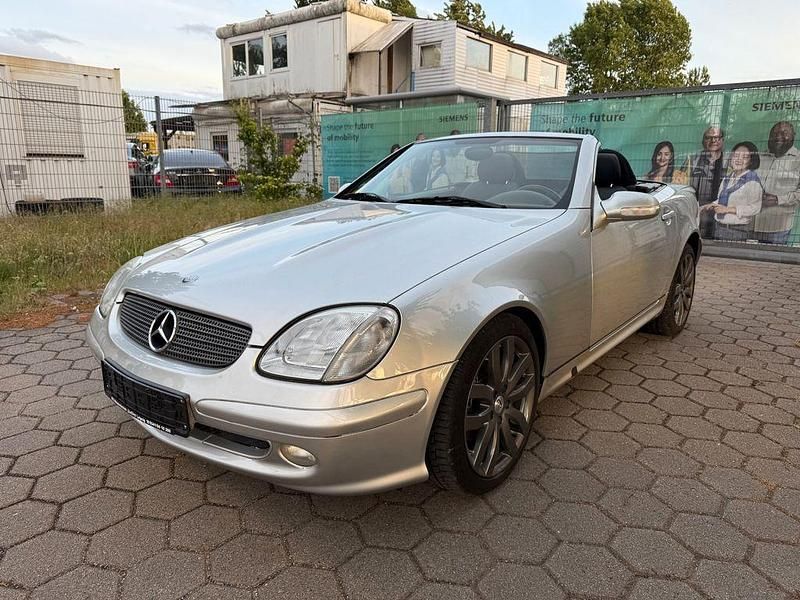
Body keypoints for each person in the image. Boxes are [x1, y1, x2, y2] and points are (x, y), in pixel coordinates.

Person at [702, 141, 762, 242]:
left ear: (751, 161)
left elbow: (755, 208)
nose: (739, 160)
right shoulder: (728, 178)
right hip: (719, 228)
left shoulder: (753, 181)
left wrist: (728, 210)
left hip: (737, 231)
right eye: (736, 156)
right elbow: (723, 199)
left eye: (745, 157)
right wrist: (710, 205)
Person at [754, 121, 800, 245]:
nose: (778, 136)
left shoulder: (798, 160)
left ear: (793, 136)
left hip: (778, 227)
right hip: (752, 223)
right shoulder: (759, 156)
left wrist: (778, 199)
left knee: (770, 262)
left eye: (785, 133)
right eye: (775, 133)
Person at [682, 126, 726, 238]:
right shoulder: (692, 160)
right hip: (695, 211)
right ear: (703, 141)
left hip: (720, 212)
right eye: (708, 138)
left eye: (716, 138)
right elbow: (681, 184)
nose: (713, 141)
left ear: (722, 140)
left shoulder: (729, 161)